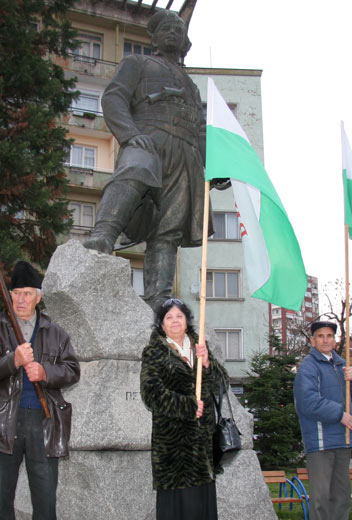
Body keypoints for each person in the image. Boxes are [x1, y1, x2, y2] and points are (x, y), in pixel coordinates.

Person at [81, 10, 210, 310]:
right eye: (166, 29)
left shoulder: (191, 85)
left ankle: (159, 297)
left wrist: (214, 165)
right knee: (134, 171)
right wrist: (129, 134)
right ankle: (104, 235)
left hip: (186, 153)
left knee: (169, 228)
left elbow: (201, 128)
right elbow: (114, 98)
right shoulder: (137, 63)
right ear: (154, 38)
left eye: (178, 30)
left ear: (185, 42)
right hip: (147, 137)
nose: (172, 33)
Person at [0, 261, 81, 520]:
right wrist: (13, 361)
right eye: (16, 293)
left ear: (38, 297)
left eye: (27, 294)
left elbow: (72, 370)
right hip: (4, 425)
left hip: (44, 424)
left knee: (45, 499)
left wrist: (46, 372)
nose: (21, 299)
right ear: (10, 295)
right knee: (1, 499)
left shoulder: (55, 332)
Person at [140, 298, 227, 520]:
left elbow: (221, 383)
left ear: (187, 320)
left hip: (201, 439)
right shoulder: (154, 352)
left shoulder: (199, 346)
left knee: (199, 496)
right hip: (172, 439)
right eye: (169, 317)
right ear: (161, 324)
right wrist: (187, 406)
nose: (175, 321)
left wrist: (207, 362)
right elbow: (151, 393)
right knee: (175, 498)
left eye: (179, 316)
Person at [294, 320, 352, 520]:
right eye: (320, 336)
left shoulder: (341, 364)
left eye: (329, 336)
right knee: (322, 497)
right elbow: (308, 402)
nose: (325, 340)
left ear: (335, 340)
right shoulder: (308, 367)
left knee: (341, 496)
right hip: (321, 442)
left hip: (343, 440)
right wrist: (338, 414)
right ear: (312, 341)